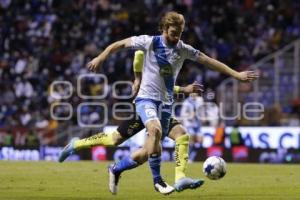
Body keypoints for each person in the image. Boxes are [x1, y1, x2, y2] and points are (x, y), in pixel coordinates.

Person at [74, 11, 258, 194]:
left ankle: (177, 178)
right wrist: (101, 57)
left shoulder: (183, 49)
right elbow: (120, 44)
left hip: (165, 106)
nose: (176, 37)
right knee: (150, 131)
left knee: (172, 140)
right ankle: (157, 181)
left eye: (179, 34)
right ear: (163, 29)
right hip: (146, 101)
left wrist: (236, 74)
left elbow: (209, 61)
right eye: (172, 33)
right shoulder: (149, 42)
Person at [59, 51, 204, 194]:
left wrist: (184, 89)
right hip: (145, 109)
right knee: (115, 139)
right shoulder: (154, 59)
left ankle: (179, 178)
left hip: (161, 111)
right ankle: (76, 145)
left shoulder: (168, 65)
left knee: (173, 139)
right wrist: (137, 78)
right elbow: (139, 55)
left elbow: (166, 88)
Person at [180, 92, 204, 162]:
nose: (194, 94)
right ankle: (188, 158)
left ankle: (191, 157)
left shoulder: (200, 100)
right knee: (192, 141)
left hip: (198, 124)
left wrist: (202, 117)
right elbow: (182, 114)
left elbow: (202, 110)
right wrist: (190, 116)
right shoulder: (186, 102)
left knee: (200, 141)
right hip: (189, 124)